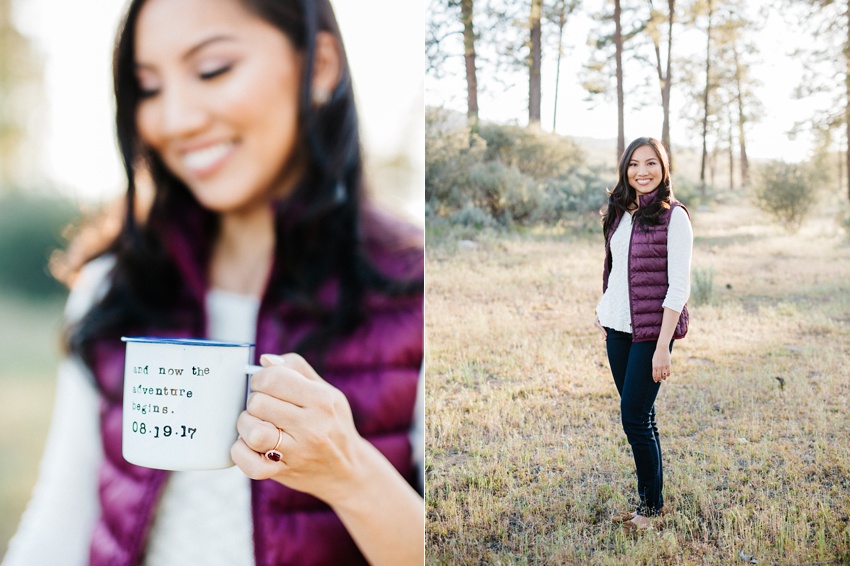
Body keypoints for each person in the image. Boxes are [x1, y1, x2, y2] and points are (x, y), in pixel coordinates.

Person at [3, 0, 423, 564]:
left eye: (212, 70)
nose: (174, 120)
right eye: (148, 87)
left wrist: (349, 472)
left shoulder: (416, 290)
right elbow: (58, 529)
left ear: (319, 65)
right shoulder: (113, 284)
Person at [593, 137, 693, 532]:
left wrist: (664, 346)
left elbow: (678, 287)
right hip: (617, 328)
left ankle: (650, 511)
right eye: (634, 164)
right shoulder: (622, 211)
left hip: (651, 332)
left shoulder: (675, 217)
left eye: (651, 163)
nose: (642, 172)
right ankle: (651, 503)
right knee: (641, 415)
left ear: (664, 168)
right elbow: (618, 270)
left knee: (634, 417)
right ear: (625, 169)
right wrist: (604, 309)